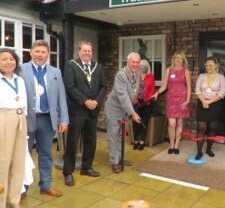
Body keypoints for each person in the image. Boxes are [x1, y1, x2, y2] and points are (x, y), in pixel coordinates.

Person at [20, 40, 69, 197]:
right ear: (31, 52)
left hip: (47, 120)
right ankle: (22, 188)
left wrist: (64, 120)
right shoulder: (20, 70)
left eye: (43, 52)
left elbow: (62, 96)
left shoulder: (55, 72)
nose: (40, 55)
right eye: (37, 51)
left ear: (48, 54)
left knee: (46, 153)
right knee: (23, 155)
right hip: (26, 119)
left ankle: (46, 185)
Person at [63, 41, 107, 186]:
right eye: (84, 51)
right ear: (79, 51)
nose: (87, 53)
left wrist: (96, 101)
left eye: (89, 51)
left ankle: (86, 167)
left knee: (91, 141)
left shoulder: (98, 67)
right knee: (72, 142)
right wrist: (84, 101)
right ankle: (68, 172)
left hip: (93, 111)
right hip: (77, 111)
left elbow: (103, 86)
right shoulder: (71, 65)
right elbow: (69, 87)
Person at [0, 48, 27, 208]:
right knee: (2, 162)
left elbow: (25, 104)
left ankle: (14, 200)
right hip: (3, 119)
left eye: (11, 59)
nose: (9, 62)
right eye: (4, 59)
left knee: (18, 162)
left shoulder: (19, 80)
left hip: (21, 119)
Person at [106, 52, 141, 173]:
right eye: (133, 62)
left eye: (137, 62)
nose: (135, 64)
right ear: (128, 62)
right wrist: (132, 113)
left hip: (124, 110)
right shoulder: (121, 75)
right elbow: (123, 96)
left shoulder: (137, 75)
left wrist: (129, 111)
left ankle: (120, 158)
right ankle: (114, 162)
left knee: (121, 135)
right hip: (114, 109)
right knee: (113, 136)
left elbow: (133, 93)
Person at [152, 52, 191, 154]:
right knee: (172, 123)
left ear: (183, 60)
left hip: (182, 99)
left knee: (180, 122)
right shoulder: (169, 70)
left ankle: (176, 145)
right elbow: (165, 85)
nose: (178, 60)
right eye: (176, 58)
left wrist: (187, 100)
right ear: (174, 59)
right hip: (171, 99)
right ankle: (171, 144)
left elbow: (189, 87)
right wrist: (157, 92)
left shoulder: (185, 71)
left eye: (180, 58)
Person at [194, 57, 225, 160]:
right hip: (202, 103)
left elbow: (222, 93)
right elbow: (197, 90)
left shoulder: (221, 77)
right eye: (206, 65)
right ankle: (199, 152)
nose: (208, 67)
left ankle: (209, 149)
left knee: (212, 128)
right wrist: (204, 101)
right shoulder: (201, 76)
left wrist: (209, 101)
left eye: (210, 65)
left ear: (216, 66)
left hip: (215, 105)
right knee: (201, 128)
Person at [132, 59, 155, 151]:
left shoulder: (151, 76)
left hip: (147, 103)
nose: (143, 67)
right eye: (141, 66)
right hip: (136, 102)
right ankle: (136, 141)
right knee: (136, 122)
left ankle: (141, 141)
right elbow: (132, 89)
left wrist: (147, 101)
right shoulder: (135, 76)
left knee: (144, 122)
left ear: (147, 67)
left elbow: (152, 90)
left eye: (145, 66)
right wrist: (135, 100)